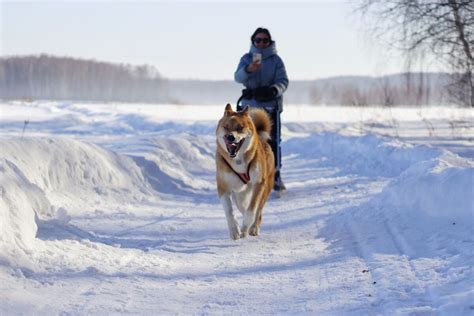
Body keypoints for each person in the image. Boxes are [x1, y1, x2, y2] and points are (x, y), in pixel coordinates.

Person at [234, 27, 289, 192]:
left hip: (270, 105)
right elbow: (237, 77)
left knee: (271, 141)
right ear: (253, 41)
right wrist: (248, 70)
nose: (261, 43)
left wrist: (273, 90)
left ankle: (275, 173)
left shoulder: (276, 60)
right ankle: (247, 174)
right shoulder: (246, 58)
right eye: (258, 40)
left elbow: (283, 81)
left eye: (265, 40)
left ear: (269, 42)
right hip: (250, 106)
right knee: (247, 141)